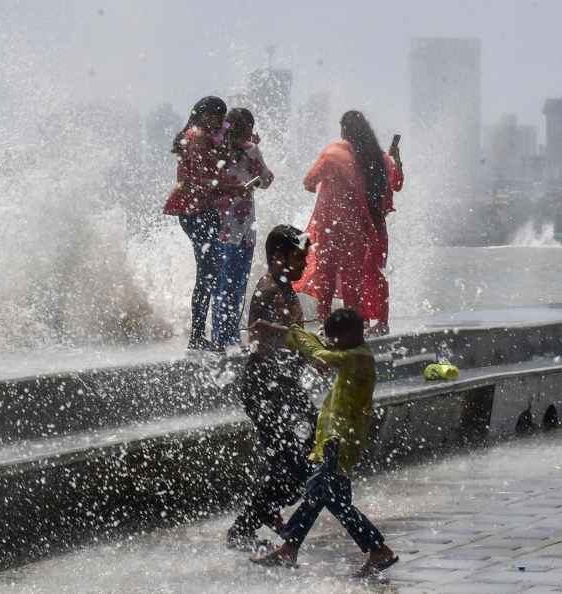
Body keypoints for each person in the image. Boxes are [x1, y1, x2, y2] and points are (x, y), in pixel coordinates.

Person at [250, 309, 397, 577]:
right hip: (334, 440)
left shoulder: (358, 358)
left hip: (339, 441)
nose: (332, 344)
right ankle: (375, 550)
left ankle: (290, 546)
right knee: (333, 501)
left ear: (351, 335)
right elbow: (321, 350)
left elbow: (321, 354)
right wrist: (283, 331)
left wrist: (282, 331)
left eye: (335, 339)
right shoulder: (352, 353)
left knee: (317, 494)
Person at [226, 225, 319, 551]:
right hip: (264, 387)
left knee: (303, 460)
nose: (305, 265)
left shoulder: (285, 287)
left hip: (283, 385)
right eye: (299, 257)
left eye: (305, 258)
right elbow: (259, 337)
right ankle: (245, 528)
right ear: (278, 257)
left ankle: (267, 513)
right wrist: (296, 340)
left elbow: (289, 338)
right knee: (290, 467)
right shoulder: (268, 290)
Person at [294, 111, 402, 333]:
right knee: (357, 278)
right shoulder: (378, 157)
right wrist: (395, 158)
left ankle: (327, 325)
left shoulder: (333, 153)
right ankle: (361, 323)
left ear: (343, 129)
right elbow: (396, 183)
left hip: (330, 228)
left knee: (327, 275)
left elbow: (308, 182)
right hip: (364, 228)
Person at [163, 96, 245, 351]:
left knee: (208, 272)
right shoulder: (197, 136)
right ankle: (197, 335)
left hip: (195, 210)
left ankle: (199, 334)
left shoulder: (197, 134)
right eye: (217, 117)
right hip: (197, 210)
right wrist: (234, 187)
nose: (220, 123)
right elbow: (202, 180)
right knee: (207, 273)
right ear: (205, 114)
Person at [211, 108, 274, 349]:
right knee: (237, 284)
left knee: (221, 283)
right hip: (245, 227)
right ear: (248, 127)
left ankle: (218, 335)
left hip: (221, 225)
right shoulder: (251, 150)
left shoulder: (216, 150)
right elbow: (266, 180)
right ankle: (231, 336)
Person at [361, 136, 404, 336]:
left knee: (374, 272)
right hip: (360, 227)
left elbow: (397, 183)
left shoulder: (383, 163)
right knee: (360, 273)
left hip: (376, 227)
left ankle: (381, 321)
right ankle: (363, 320)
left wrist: (397, 159)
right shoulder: (358, 166)